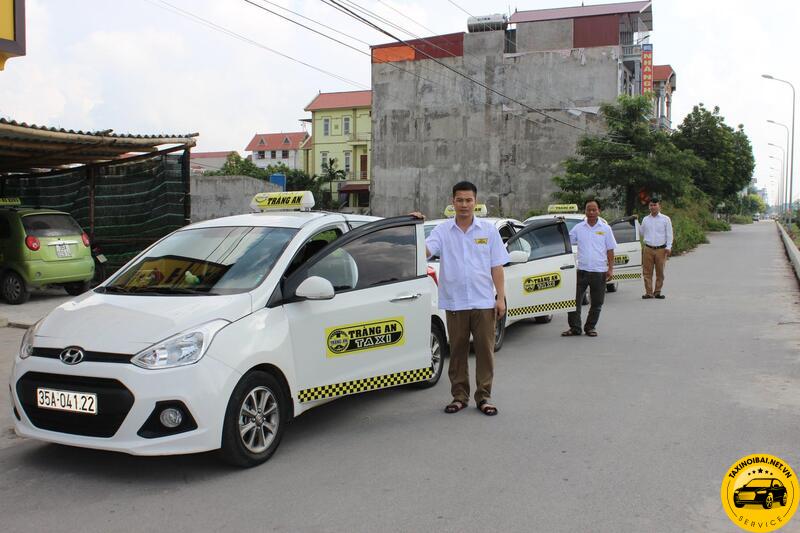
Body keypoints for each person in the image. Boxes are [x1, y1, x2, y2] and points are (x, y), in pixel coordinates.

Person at [413, 181, 509, 416]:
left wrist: (501, 298)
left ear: (475, 202)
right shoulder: (442, 231)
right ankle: (459, 396)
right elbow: (424, 252)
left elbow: (497, 267)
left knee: (485, 352)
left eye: (468, 200)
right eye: (460, 200)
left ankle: (484, 397)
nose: (464, 205)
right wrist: (414, 227)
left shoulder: (488, 231)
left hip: (484, 302)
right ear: (452, 202)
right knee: (456, 352)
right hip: (455, 303)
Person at [561, 199, 617, 338]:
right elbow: (566, 241)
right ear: (584, 211)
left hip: (599, 271)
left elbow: (610, 250)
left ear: (599, 211)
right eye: (588, 209)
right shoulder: (579, 228)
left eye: (594, 209)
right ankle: (575, 328)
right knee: (574, 301)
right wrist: (560, 226)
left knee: (597, 303)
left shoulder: (605, 229)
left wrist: (610, 268)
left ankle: (590, 327)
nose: (591, 212)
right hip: (581, 271)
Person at [640, 197, 673, 299]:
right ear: (649, 207)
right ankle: (649, 293)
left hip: (661, 249)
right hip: (648, 249)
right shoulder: (645, 219)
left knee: (660, 272)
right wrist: (636, 223)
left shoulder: (665, 219)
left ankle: (657, 292)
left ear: (659, 206)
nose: (653, 207)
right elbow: (641, 233)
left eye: (655, 205)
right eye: (651, 205)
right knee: (647, 272)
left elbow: (669, 234)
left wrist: (669, 246)